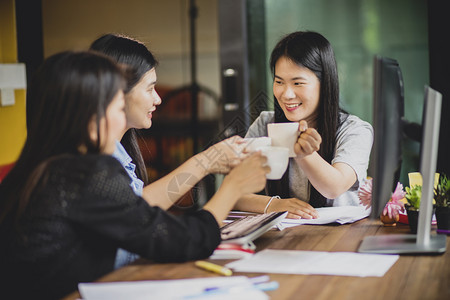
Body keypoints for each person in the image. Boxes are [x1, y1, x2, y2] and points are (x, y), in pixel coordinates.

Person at [0, 51, 268, 300]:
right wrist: (232, 188)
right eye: (119, 109)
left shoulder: (35, 170)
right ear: (91, 120)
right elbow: (179, 241)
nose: (121, 127)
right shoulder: (86, 174)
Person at [89, 34, 247, 267]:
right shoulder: (95, 164)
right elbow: (143, 218)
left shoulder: (118, 154)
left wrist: (207, 163)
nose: (158, 99)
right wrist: (216, 172)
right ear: (117, 92)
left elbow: (138, 209)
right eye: (150, 88)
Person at [234, 31, 373, 219]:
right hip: (284, 236)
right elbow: (234, 190)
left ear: (324, 84)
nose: (286, 94)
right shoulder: (265, 123)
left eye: (298, 83)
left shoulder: (354, 130)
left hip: (341, 236)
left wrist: (303, 154)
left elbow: (334, 187)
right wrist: (274, 205)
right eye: (279, 82)